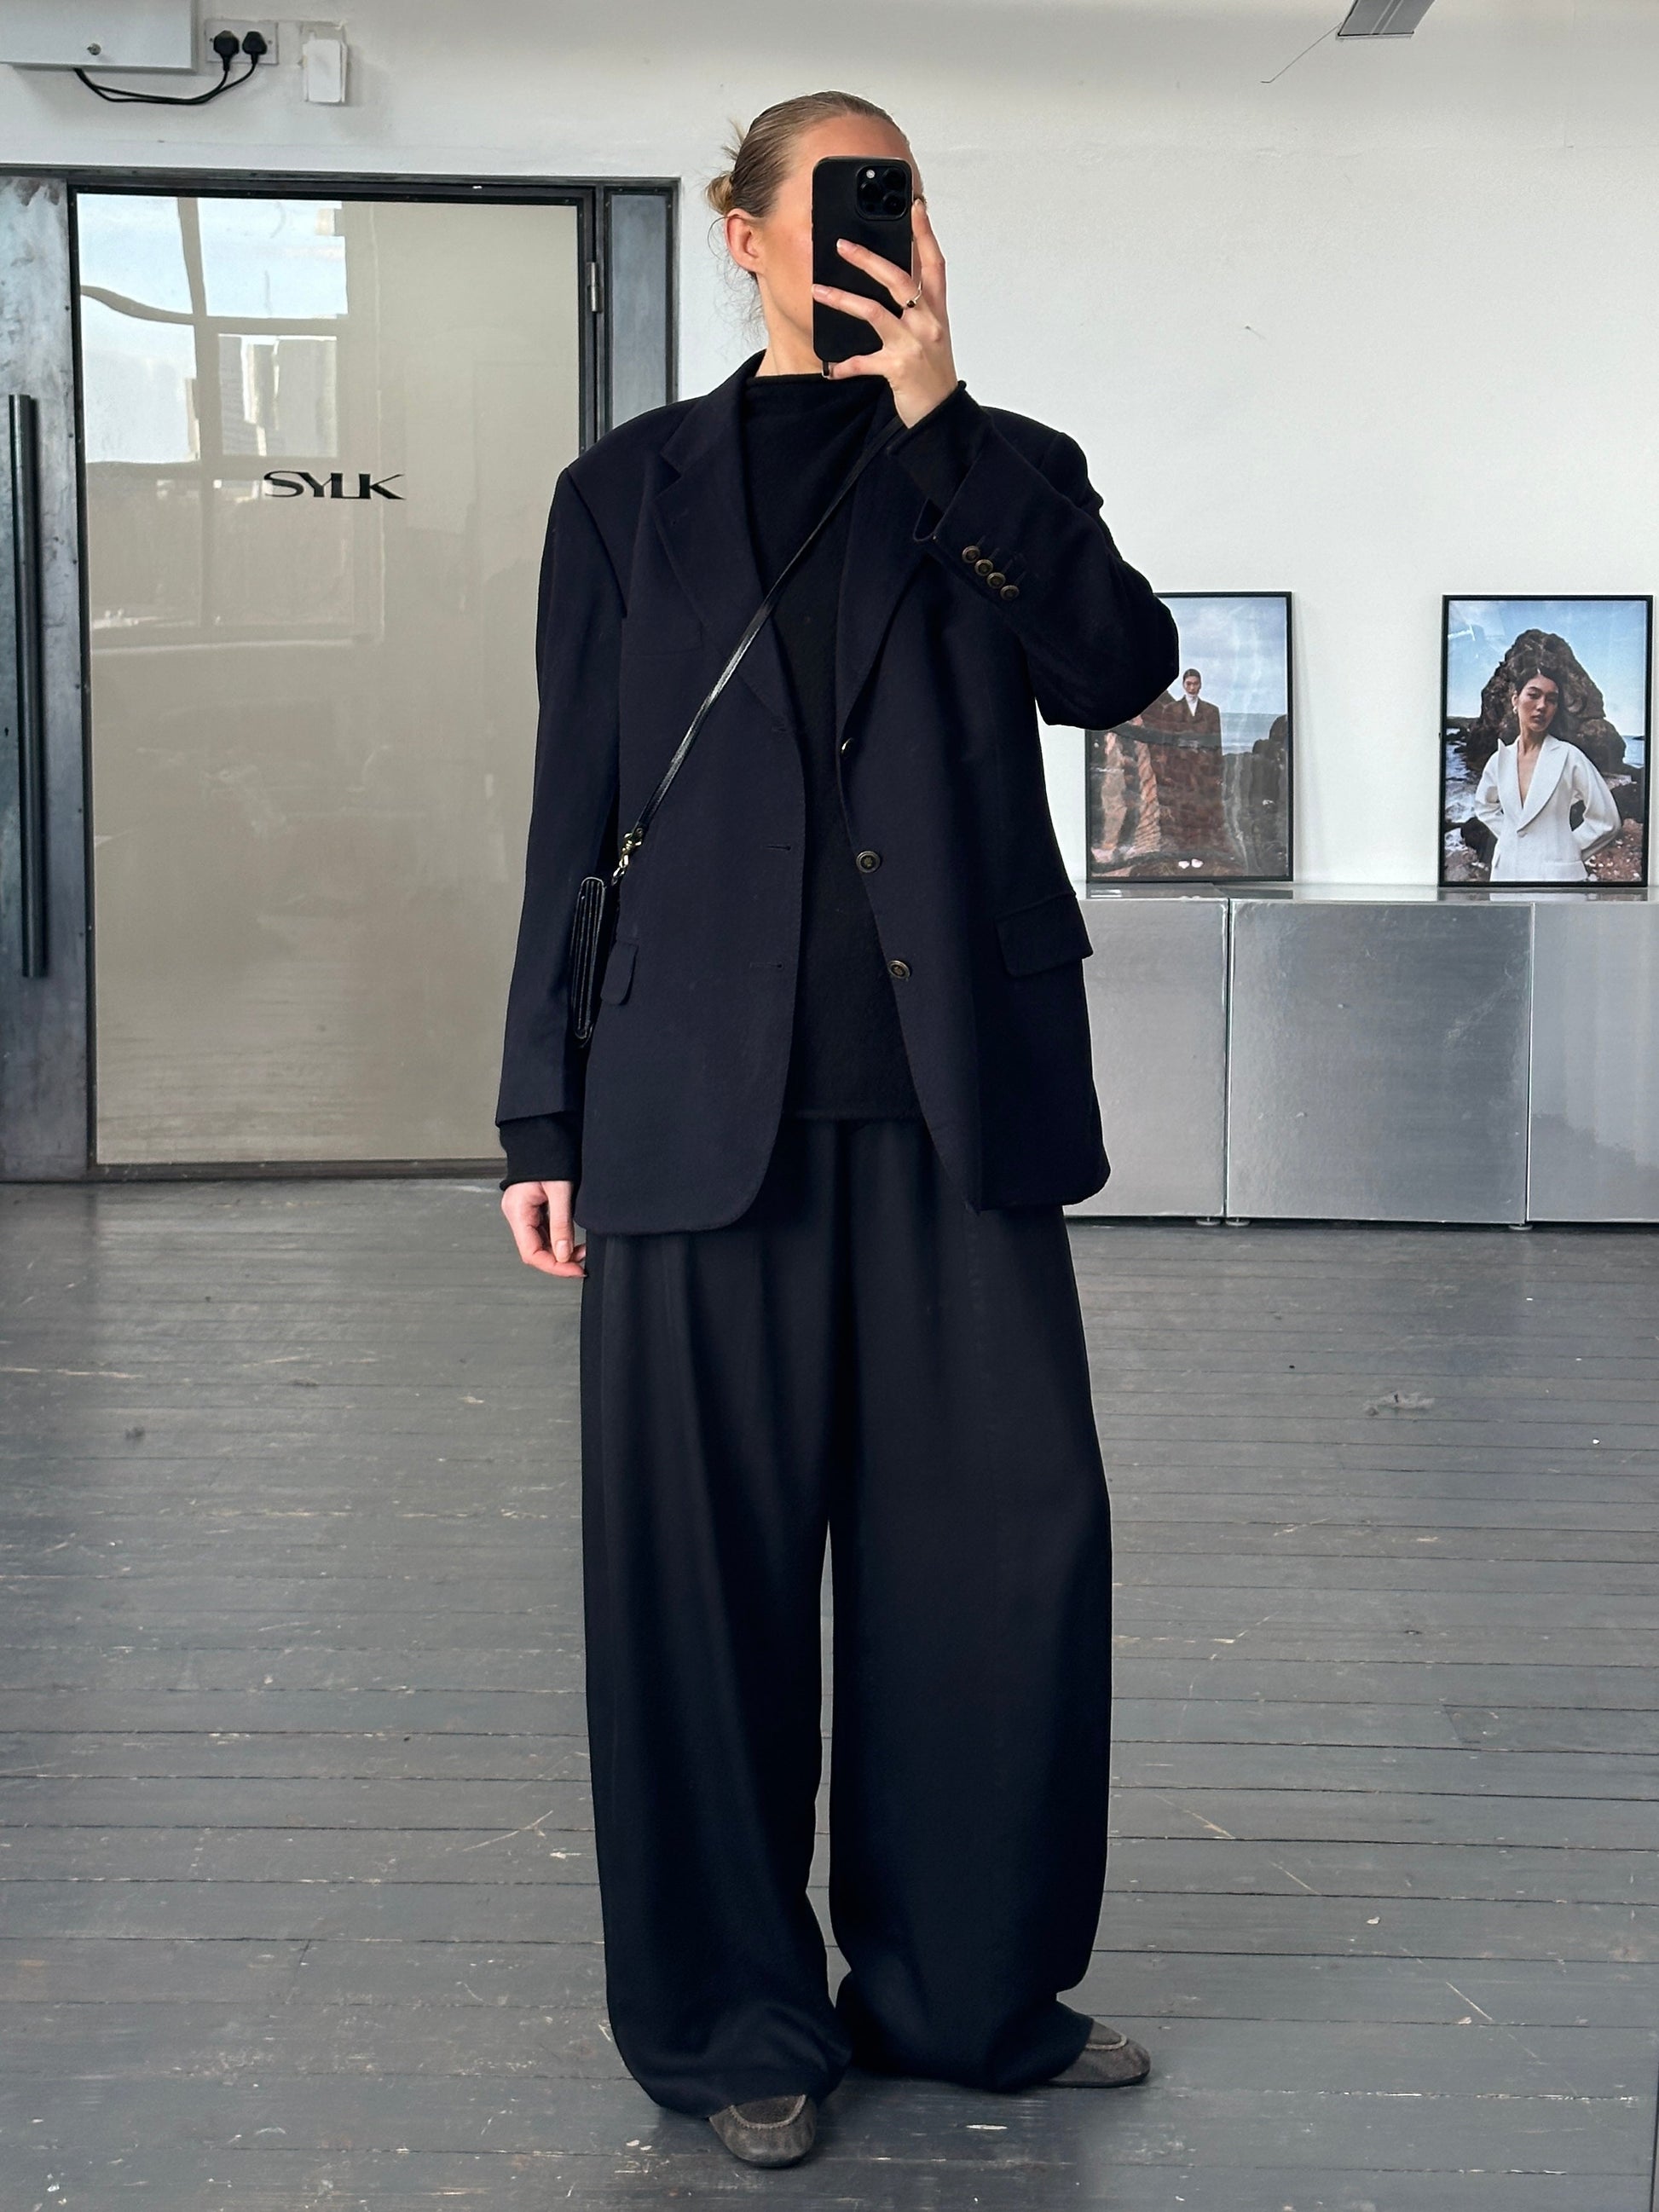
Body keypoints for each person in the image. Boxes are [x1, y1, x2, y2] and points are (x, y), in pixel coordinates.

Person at [494, 90, 1178, 2169]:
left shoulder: (1003, 464)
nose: (882, 227)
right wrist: (537, 1107)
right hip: (688, 1114)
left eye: (907, 195)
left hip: (958, 1107)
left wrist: (940, 413)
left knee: (998, 1569)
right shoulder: (624, 496)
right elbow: (572, 808)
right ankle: (733, 2022)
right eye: (840, 195)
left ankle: (968, 1991)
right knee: (694, 1592)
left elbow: (1115, 668)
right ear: (744, 231)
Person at [1471, 664, 1621, 881]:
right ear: (1515, 700)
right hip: (1506, 874)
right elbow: (1484, 806)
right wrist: (1509, 835)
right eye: (1533, 695)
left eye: (1551, 700)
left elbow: (1606, 819)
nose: (1542, 706)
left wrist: (1568, 848)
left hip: (1557, 878)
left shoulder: (1569, 756)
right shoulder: (1500, 759)